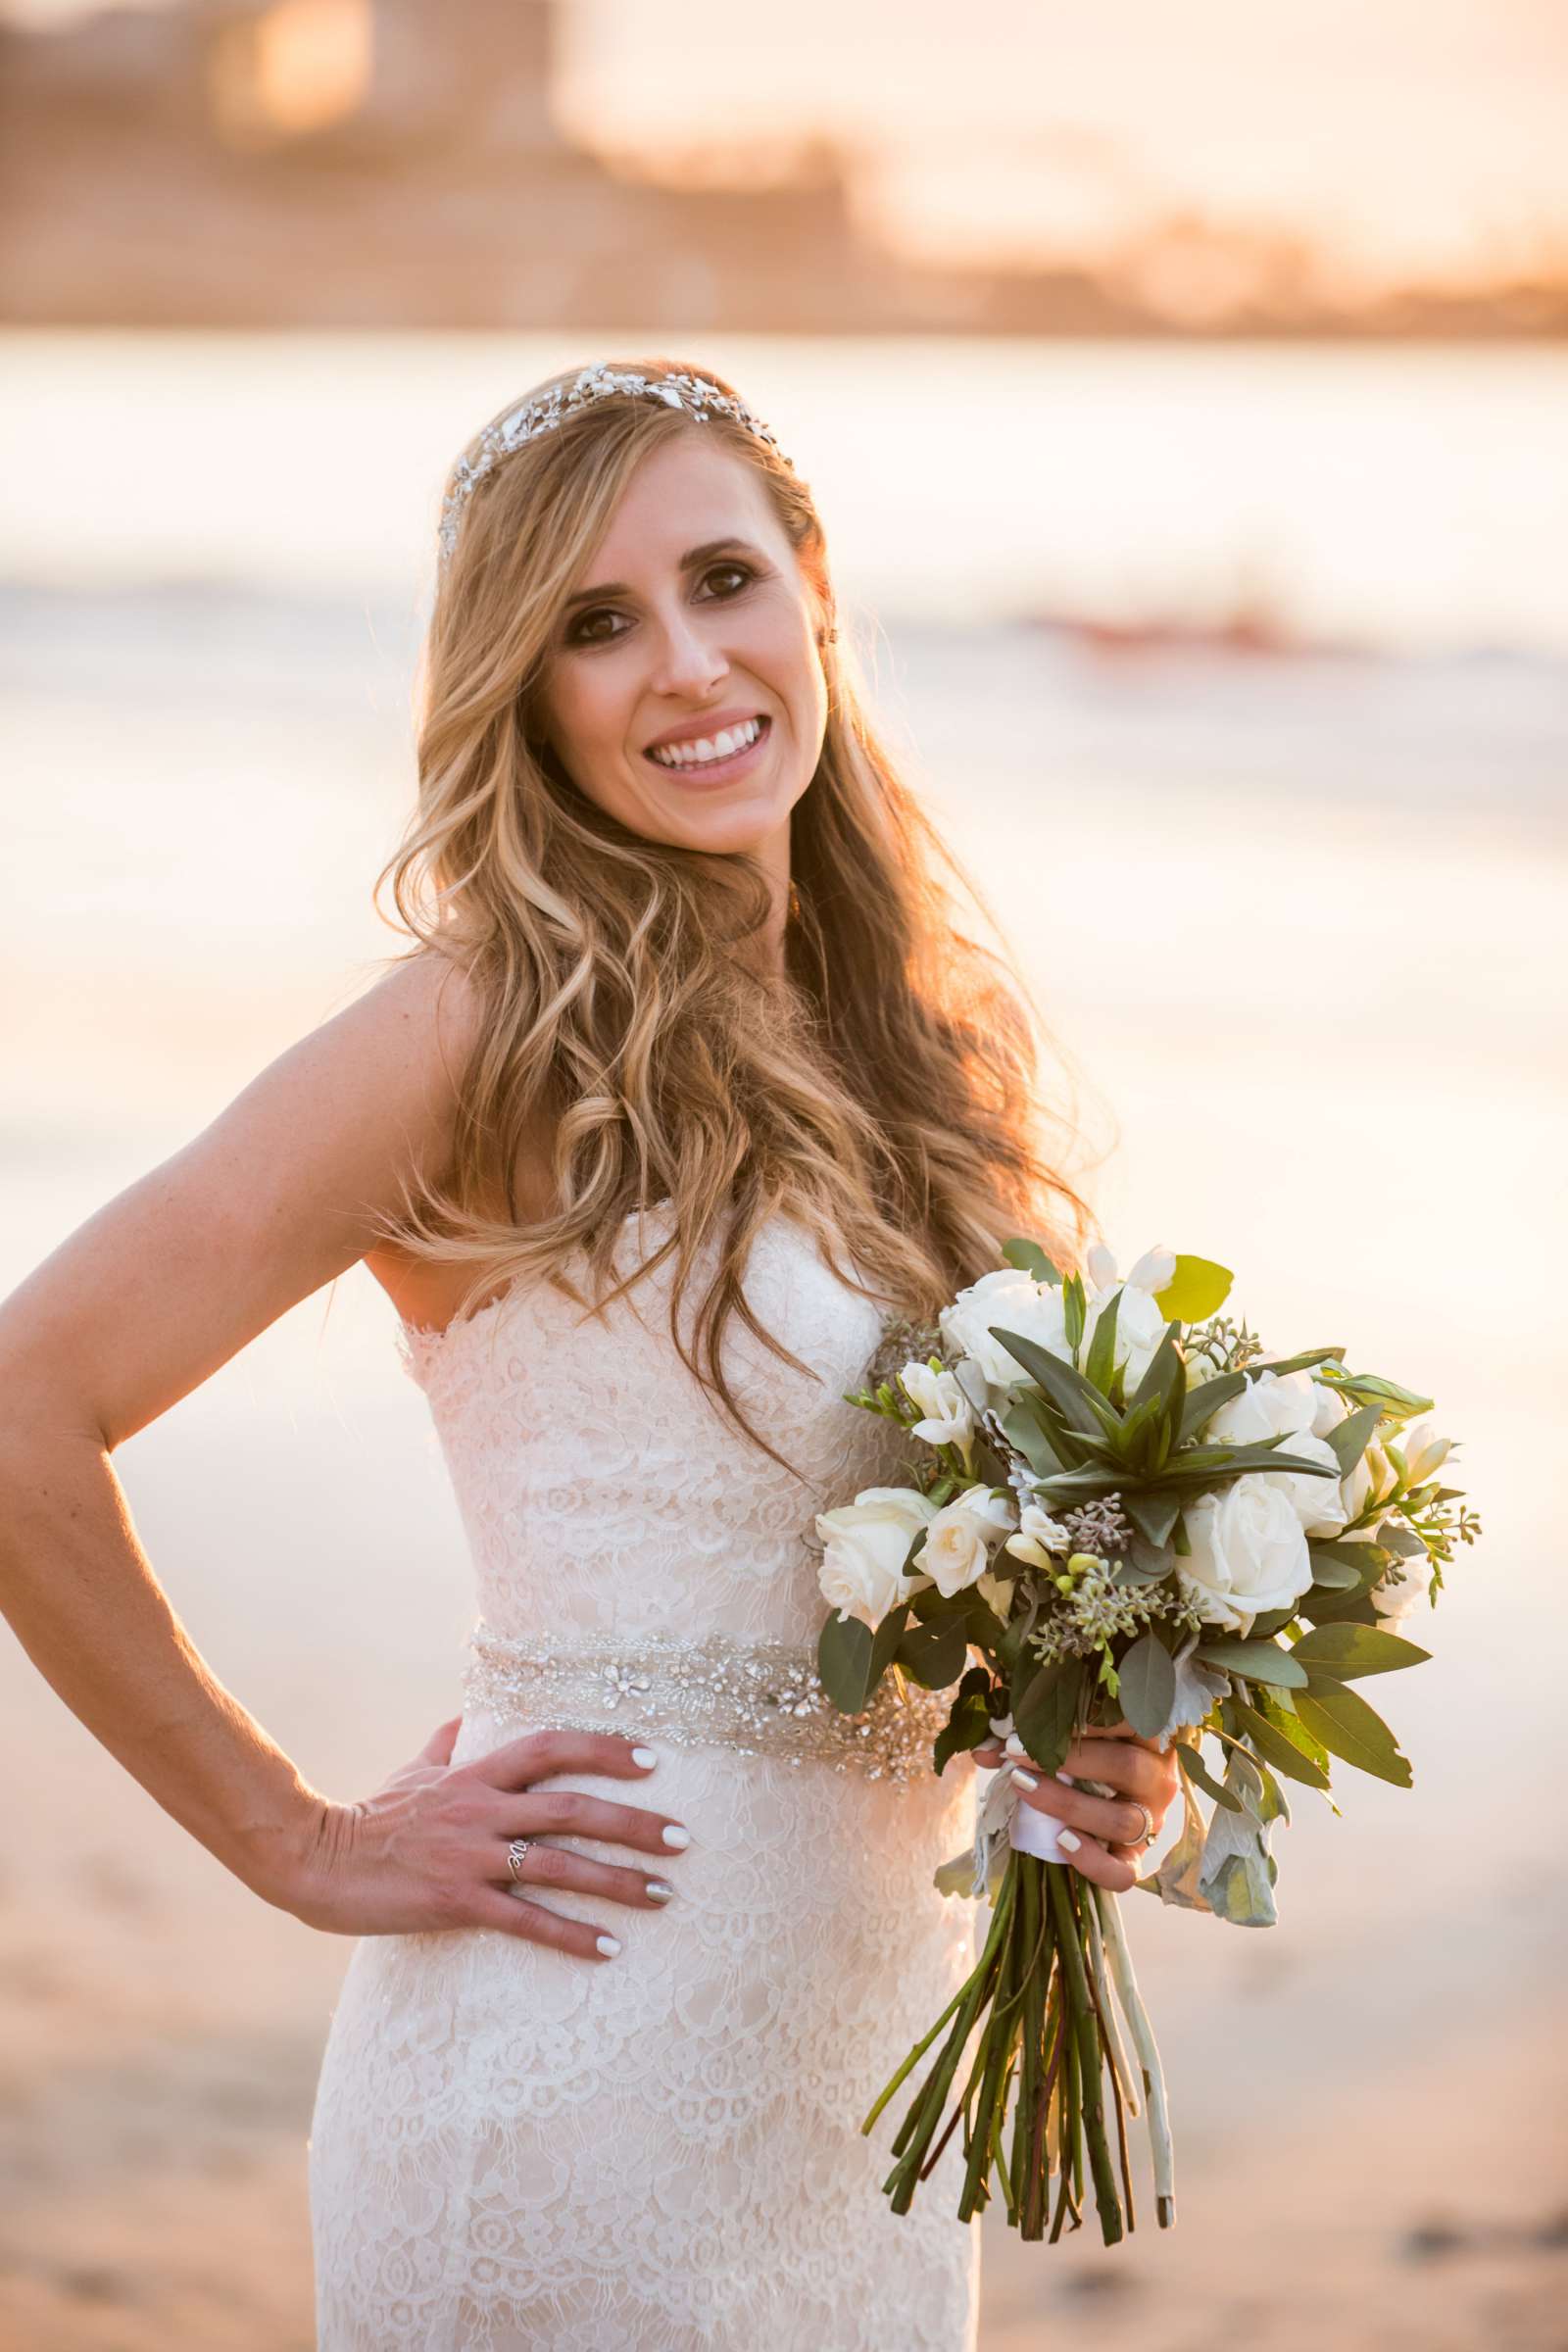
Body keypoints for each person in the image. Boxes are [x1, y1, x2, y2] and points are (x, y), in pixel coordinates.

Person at [0, 358, 1178, 2348]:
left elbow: (977, 1587)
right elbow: (28, 1401)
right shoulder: (480, 1028)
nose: (685, 666)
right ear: (520, 692)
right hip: (573, 2078)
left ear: (811, 584)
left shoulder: (918, 1059)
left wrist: (1106, 1751)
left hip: (861, 2098)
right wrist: (294, 1839)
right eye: (592, 625)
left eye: (720, 579)